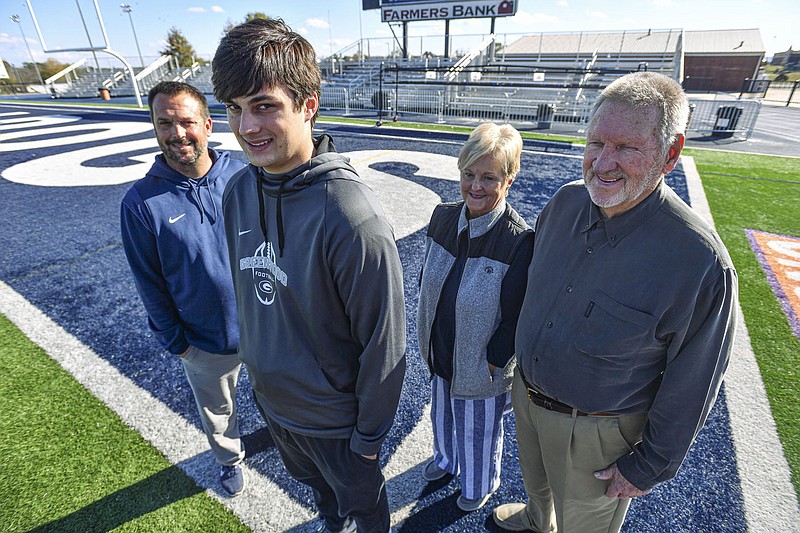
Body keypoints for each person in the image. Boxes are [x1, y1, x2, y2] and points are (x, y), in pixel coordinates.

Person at [493, 71, 738, 532]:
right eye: (595, 143)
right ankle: (534, 518)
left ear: (671, 154)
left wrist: (648, 466)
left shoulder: (700, 263)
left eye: (626, 148)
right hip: (526, 397)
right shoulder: (564, 203)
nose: (602, 163)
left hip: (597, 437)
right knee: (536, 487)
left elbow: (694, 383)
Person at [211, 18, 406, 533]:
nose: (246, 126)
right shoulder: (236, 193)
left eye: (264, 105)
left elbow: (384, 345)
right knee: (320, 493)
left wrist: (367, 439)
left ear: (309, 104)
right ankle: (330, 519)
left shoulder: (350, 214)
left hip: (337, 425)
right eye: (233, 108)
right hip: (275, 407)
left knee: (365, 506)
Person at [120, 81, 247, 496]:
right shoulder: (140, 202)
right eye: (165, 123)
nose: (177, 133)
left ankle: (287, 440)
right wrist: (178, 343)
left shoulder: (245, 173)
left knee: (283, 395)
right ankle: (229, 458)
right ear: (155, 129)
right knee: (218, 411)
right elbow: (149, 282)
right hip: (204, 340)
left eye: (186, 122)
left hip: (268, 324)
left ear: (208, 125)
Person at [416, 123, 534, 512]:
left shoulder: (519, 239)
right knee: (443, 414)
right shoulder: (442, 216)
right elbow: (427, 274)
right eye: (469, 174)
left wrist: (495, 359)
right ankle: (447, 461)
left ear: (509, 179)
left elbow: (517, 315)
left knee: (479, 429)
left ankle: (480, 482)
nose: (476, 186)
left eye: (489, 177)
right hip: (441, 347)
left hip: (484, 362)